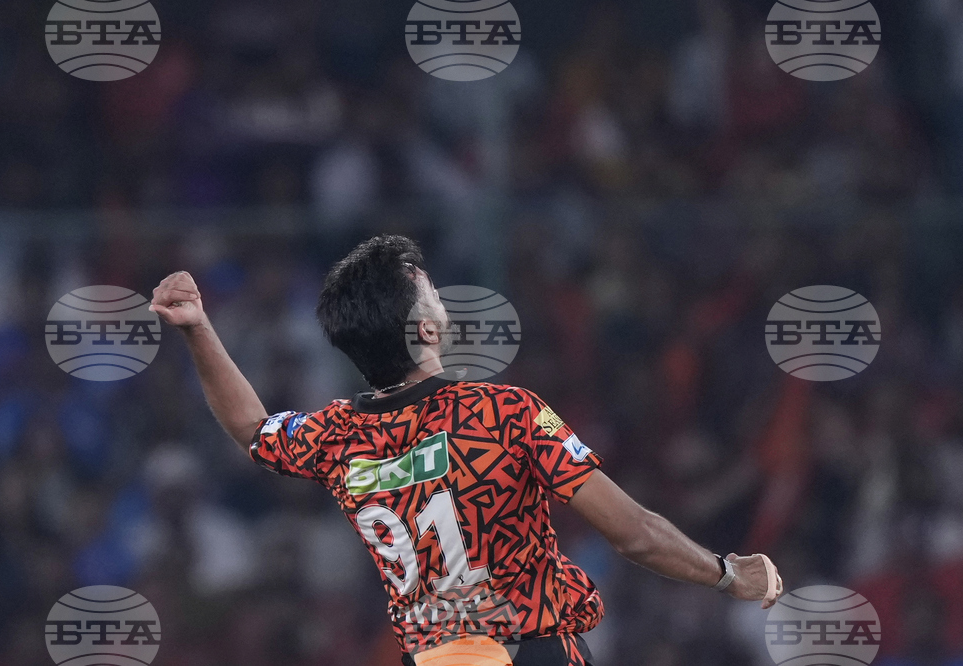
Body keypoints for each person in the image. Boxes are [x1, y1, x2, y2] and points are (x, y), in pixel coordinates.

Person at [149, 235, 783, 666]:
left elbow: (252, 429)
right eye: (426, 286)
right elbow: (635, 534)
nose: (438, 292)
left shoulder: (337, 436)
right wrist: (727, 573)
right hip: (528, 650)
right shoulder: (504, 413)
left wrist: (199, 330)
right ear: (425, 328)